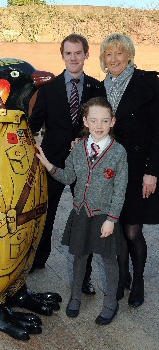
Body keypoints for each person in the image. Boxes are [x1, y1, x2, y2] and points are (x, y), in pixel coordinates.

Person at [36, 96, 128, 325]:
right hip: (81, 212)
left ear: (112, 122)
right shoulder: (78, 150)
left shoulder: (118, 153)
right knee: (79, 257)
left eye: (104, 121)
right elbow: (69, 177)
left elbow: (120, 190)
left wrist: (111, 219)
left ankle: (111, 303)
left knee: (109, 260)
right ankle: (75, 296)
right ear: (86, 121)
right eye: (94, 120)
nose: (99, 126)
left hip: (104, 216)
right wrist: (48, 164)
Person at [29, 33, 106, 294]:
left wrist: (83, 140)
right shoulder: (48, 90)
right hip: (53, 162)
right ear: (62, 55)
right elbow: (33, 124)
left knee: (84, 216)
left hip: (86, 163)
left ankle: (84, 274)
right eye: (68, 53)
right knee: (45, 212)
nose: (73, 58)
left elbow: (101, 123)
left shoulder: (97, 88)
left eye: (78, 53)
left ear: (86, 54)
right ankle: (38, 260)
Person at [100, 33, 159, 308]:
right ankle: (123, 276)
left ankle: (138, 282)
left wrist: (152, 171)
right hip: (112, 172)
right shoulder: (100, 89)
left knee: (133, 231)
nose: (114, 59)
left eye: (119, 53)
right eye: (109, 54)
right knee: (118, 229)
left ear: (129, 55)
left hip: (138, 170)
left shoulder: (148, 82)